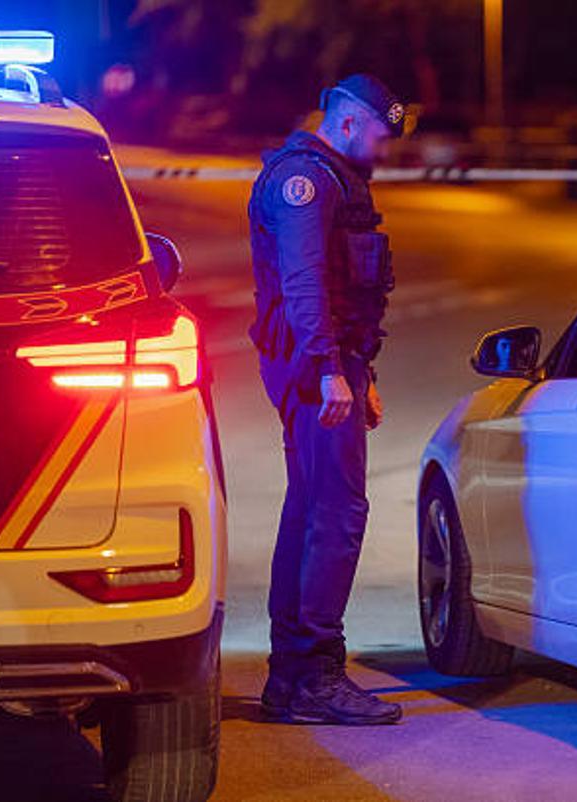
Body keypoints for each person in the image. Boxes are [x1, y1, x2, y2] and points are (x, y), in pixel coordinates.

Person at [248, 74, 406, 725]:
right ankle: (315, 672)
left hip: (330, 363)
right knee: (337, 513)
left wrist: (357, 371)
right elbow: (305, 281)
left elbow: (349, 291)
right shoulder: (306, 182)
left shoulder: (335, 177)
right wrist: (326, 372)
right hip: (311, 365)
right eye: (379, 135)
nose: (385, 150)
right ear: (348, 123)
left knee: (312, 508)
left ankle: (291, 679)